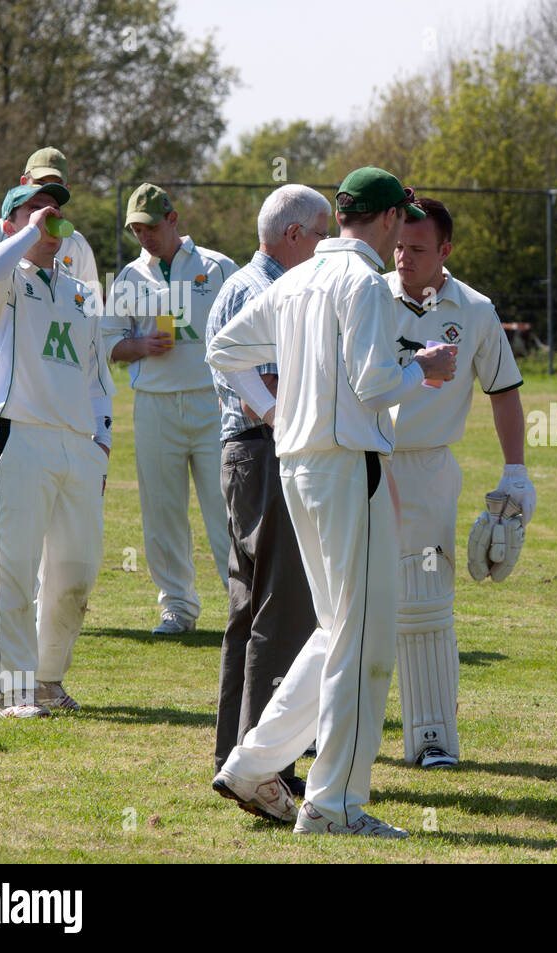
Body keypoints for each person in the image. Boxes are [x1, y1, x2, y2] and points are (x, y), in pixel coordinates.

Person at [206, 167, 456, 836]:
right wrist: (425, 367)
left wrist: (273, 406)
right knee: (367, 643)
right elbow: (375, 382)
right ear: (387, 219)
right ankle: (332, 804)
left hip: (299, 467)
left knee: (338, 630)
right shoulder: (361, 281)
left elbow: (222, 346)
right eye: (401, 219)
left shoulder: (299, 278)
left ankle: (251, 763)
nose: (404, 230)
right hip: (347, 468)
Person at [386, 196, 532, 769]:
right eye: (397, 244)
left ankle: (431, 739)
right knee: (346, 603)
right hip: (361, 460)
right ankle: (327, 737)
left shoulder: (473, 309)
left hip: (427, 468)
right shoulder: (368, 295)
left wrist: (514, 471)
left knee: (425, 602)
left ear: (445, 251)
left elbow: (504, 392)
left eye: (417, 249)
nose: (402, 257)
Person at [0, 181, 114, 716]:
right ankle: (13, 689)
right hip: (18, 434)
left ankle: (48, 679)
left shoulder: (82, 291)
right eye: (35, 209)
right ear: (10, 224)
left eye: (55, 210)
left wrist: (102, 440)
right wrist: (25, 231)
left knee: (76, 571)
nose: (51, 217)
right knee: (15, 567)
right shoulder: (0, 281)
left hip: (77, 445)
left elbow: (97, 375)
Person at [206, 185, 332, 791]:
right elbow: (263, 376)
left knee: (249, 609)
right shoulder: (265, 291)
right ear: (293, 236)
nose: (329, 245)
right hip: (265, 453)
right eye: (322, 233)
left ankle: (235, 753)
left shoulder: (248, 286)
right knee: (279, 613)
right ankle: (265, 767)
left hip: (248, 456)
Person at [104, 183, 237, 635]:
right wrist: (138, 345)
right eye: (136, 229)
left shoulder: (218, 268)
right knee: (161, 512)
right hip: (155, 405)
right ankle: (177, 609)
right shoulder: (128, 277)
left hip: (212, 404)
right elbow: (109, 345)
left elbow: (250, 332)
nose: (145, 236)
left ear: (174, 219)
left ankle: (245, 603)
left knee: (227, 509)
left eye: (152, 226)